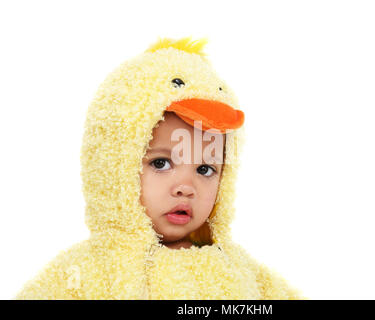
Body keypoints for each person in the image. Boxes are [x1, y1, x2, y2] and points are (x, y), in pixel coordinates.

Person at [15, 37, 304, 299]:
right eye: (161, 163)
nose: (185, 187)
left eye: (204, 169)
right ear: (115, 165)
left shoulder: (240, 271)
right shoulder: (85, 273)